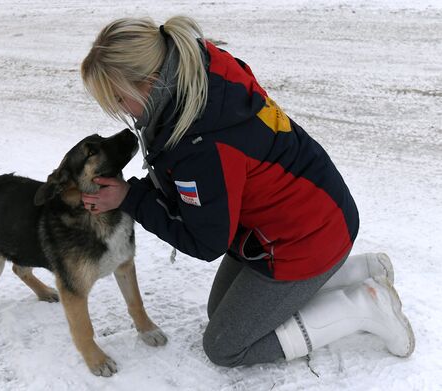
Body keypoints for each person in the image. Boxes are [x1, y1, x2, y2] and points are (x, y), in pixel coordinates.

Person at [79, 16, 415, 366]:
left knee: (225, 346)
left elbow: (206, 242)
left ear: (148, 81)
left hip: (306, 239)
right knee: (219, 312)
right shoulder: (196, 68)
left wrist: (130, 198)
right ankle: (355, 273)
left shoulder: (201, 143)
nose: (121, 111)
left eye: (119, 99)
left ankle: (363, 307)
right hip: (310, 208)